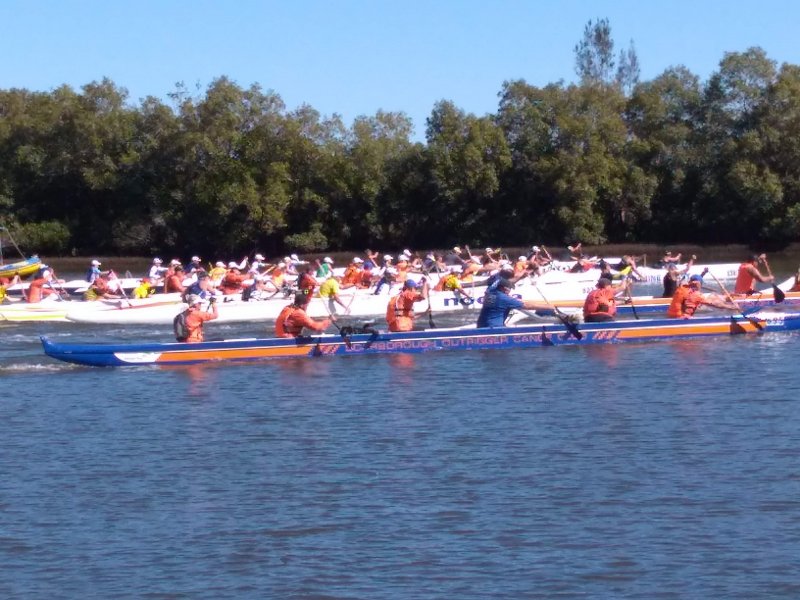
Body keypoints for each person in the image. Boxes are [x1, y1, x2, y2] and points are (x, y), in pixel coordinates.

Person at [476, 278, 541, 327]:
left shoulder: (490, 291)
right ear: (504, 289)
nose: (510, 291)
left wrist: (522, 276)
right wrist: (547, 307)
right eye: (510, 288)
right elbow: (527, 306)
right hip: (495, 327)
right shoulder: (503, 298)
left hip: (481, 325)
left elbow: (498, 281)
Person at [668, 274, 736, 318]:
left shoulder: (681, 288)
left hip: (670, 316)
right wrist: (730, 307)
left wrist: (703, 273)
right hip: (682, 318)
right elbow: (714, 304)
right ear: (699, 284)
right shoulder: (696, 294)